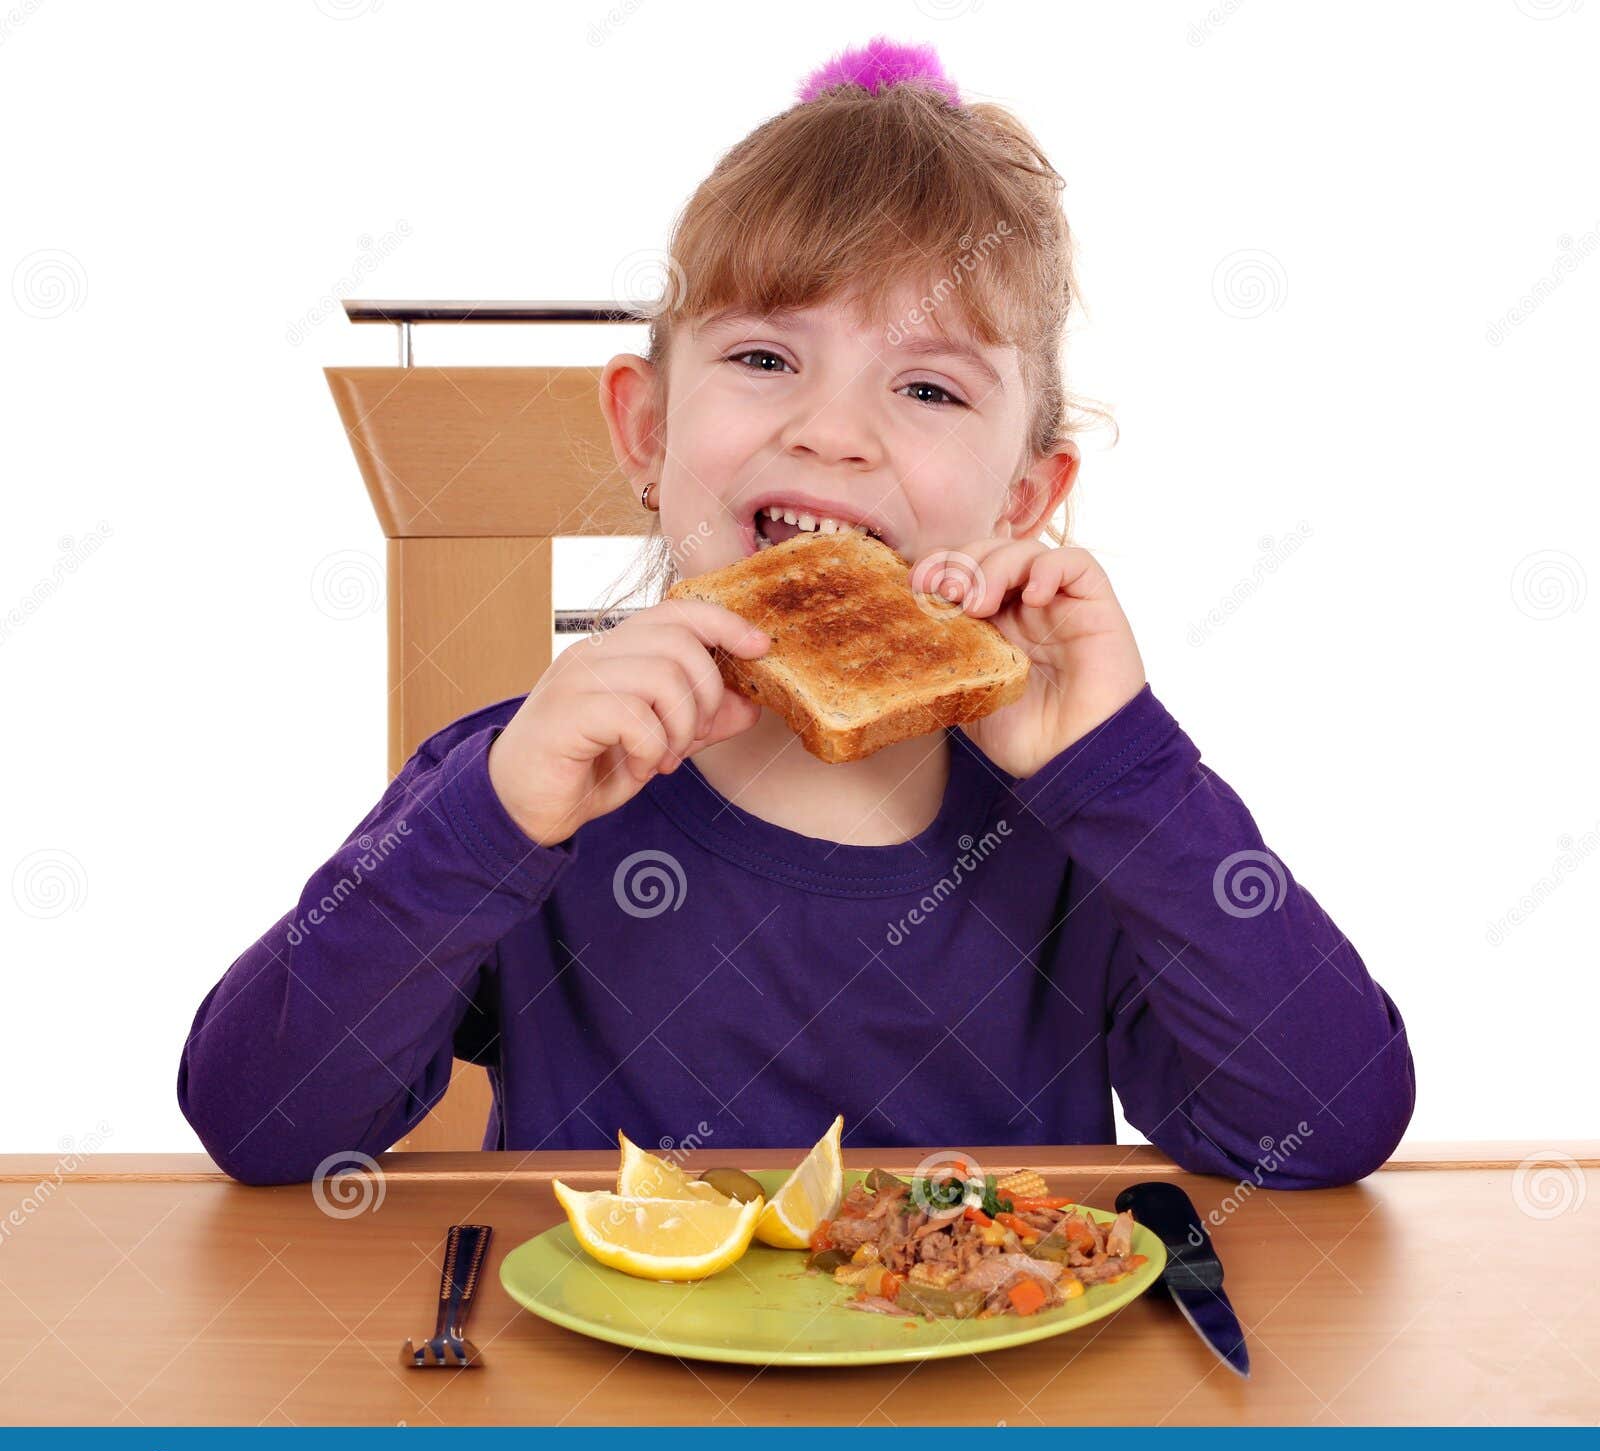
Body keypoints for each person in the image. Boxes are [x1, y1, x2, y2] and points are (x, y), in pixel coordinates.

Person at [178, 37, 1414, 1188]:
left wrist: (1128, 772)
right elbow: (260, 1121)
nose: (830, 429)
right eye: (766, 358)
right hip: (600, 1419)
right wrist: (490, 815)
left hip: (992, 1417)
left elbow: (1328, 1117)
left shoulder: (1083, 824)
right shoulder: (520, 785)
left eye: (928, 385)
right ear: (649, 432)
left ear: (1025, 500)